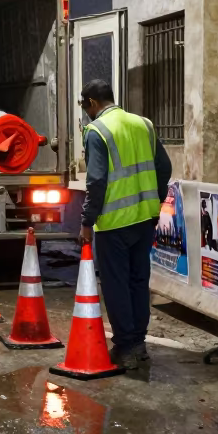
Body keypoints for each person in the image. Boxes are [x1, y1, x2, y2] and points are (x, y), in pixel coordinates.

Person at [78, 79, 173, 370]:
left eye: (85, 107)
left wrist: (86, 221)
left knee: (117, 284)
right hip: (144, 219)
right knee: (137, 280)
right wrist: (154, 201)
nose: (86, 113)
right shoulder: (143, 124)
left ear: (92, 103)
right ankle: (138, 342)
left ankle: (126, 345)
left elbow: (96, 181)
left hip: (114, 223)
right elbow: (164, 167)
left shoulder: (97, 131)